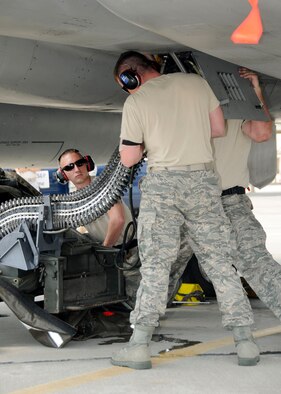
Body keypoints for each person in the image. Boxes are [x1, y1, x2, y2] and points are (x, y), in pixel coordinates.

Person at [110, 51, 259, 369]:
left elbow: (129, 159)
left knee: (155, 269)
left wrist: (152, 139)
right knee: (220, 264)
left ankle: (139, 347)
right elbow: (218, 129)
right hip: (204, 182)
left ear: (129, 77)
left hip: (164, 186)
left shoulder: (136, 103)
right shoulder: (196, 83)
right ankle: (245, 342)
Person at [212, 68, 281, 323]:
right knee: (160, 265)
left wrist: (255, 93)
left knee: (255, 262)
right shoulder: (183, 110)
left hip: (228, 200)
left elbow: (261, 133)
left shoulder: (234, 110)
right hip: (188, 202)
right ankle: (135, 323)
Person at [57, 148, 141, 307]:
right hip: (111, 256)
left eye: (79, 163)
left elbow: (118, 220)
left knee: (136, 305)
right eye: (69, 167)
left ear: (87, 164)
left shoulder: (103, 187)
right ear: (63, 174)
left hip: (128, 254)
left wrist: (105, 249)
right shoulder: (75, 199)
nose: (76, 169)